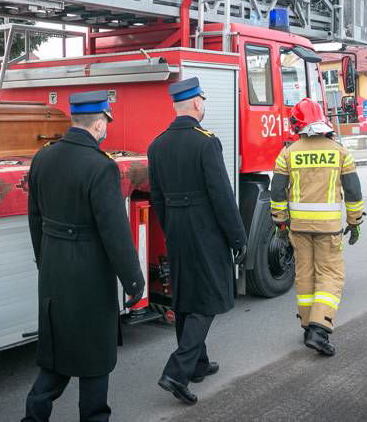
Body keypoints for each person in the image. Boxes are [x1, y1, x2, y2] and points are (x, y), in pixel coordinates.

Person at [25, 90, 145, 422]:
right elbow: (115, 234)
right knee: (94, 357)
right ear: (100, 122)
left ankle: (34, 415)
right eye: (107, 121)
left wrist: (42, 259)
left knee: (56, 352)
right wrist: (134, 281)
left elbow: (34, 217)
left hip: (52, 270)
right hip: (89, 276)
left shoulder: (43, 158)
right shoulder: (100, 167)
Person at [148, 77, 247, 405]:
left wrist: (172, 226)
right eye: (203, 100)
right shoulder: (207, 142)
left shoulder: (157, 145)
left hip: (176, 230)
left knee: (186, 294)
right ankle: (177, 371)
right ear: (197, 103)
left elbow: (157, 198)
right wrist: (238, 237)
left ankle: (198, 365)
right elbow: (221, 195)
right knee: (208, 298)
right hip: (206, 231)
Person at [269, 98, 364, 356]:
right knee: (330, 276)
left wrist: (280, 221)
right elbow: (353, 192)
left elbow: (277, 191)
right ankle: (319, 330)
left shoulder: (288, 153)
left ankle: (306, 326)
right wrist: (354, 222)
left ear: (297, 123)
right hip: (328, 228)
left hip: (298, 228)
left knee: (305, 275)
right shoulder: (340, 152)